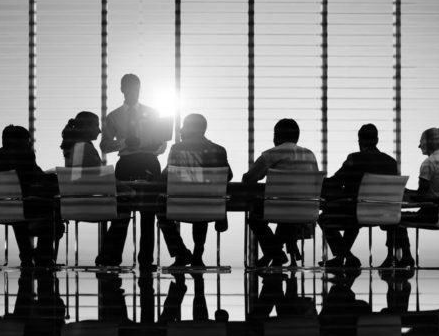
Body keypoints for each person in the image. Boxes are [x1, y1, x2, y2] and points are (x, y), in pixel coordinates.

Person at [97, 74, 167, 270]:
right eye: (129, 88)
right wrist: (125, 142)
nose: (133, 91)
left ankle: (146, 260)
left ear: (139, 88)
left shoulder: (153, 113)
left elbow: (163, 144)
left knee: (148, 212)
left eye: (135, 87)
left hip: (149, 161)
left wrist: (154, 146)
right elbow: (104, 145)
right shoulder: (113, 117)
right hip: (126, 162)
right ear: (122, 89)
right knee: (121, 210)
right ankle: (113, 257)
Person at [156, 113, 233, 268]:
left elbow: (167, 176)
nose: (181, 130)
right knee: (202, 204)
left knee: (160, 209)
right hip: (209, 207)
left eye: (183, 126)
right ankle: (198, 254)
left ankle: (180, 253)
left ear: (189, 128)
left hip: (180, 206)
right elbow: (228, 175)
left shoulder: (177, 149)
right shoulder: (219, 150)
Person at [318, 123, 398, 268]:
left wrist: (319, 182)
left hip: (357, 212)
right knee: (352, 217)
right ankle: (343, 257)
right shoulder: (391, 163)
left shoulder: (355, 158)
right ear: (377, 140)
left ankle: (346, 255)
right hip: (385, 214)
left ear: (360, 141)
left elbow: (336, 181)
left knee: (323, 218)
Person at [242, 118, 319, 267]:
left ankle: (275, 253)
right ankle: (274, 255)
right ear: (297, 136)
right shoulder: (310, 155)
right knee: (287, 217)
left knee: (255, 218)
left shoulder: (271, 154)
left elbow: (248, 178)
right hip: (306, 210)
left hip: (279, 208)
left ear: (277, 136)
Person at [0, 125, 61, 268]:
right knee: (53, 210)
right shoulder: (24, 154)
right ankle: (43, 256)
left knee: (19, 210)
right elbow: (35, 176)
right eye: (27, 140)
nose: (29, 142)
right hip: (27, 205)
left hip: (2, 208)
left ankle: (27, 257)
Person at [383, 128, 439, 268]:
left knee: (392, 218)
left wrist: (403, 192)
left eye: (421, 142)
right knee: (395, 218)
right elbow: (432, 192)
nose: (419, 146)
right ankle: (401, 257)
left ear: (429, 142)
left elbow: (422, 195)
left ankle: (398, 258)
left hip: (430, 213)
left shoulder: (428, 163)